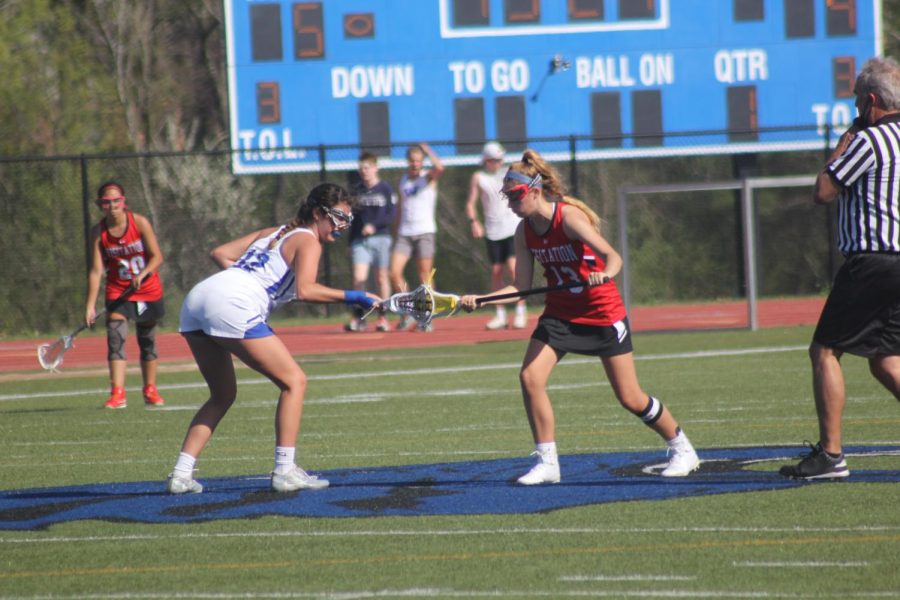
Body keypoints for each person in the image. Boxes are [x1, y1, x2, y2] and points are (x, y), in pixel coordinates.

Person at [460, 149, 700, 485]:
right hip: (560, 313)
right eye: (508, 199)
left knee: (630, 397)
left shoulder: (569, 218)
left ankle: (682, 448)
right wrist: (482, 300)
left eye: (515, 198)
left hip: (601, 313)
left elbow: (612, 257)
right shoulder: (524, 231)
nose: (511, 206)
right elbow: (519, 286)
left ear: (533, 191)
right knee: (530, 377)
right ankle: (548, 463)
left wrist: (605, 274)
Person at [167, 183, 379, 494]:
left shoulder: (275, 231)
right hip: (231, 303)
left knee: (222, 395)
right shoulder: (309, 241)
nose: (343, 227)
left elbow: (220, 253)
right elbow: (306, 290)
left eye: (347, 220)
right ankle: (284, 470)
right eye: (338, 218)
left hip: (199, 298)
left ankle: (180, 474)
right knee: (295, 381)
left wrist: (255, 288)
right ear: (319, 213)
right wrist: (354, 296)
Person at [781, 57, 900, 480]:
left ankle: (830, 456)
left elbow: (824, 190)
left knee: (825, 351)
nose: (853, 108)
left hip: (873, 261)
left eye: (855, 100)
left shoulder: (870, 141)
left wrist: (848, 137)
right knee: (887, 360)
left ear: (871, 101)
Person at [85, 181, 166, 409]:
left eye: (116, 201)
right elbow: (96, 270)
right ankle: (118, 392)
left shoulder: (139, 223)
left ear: (124, 201)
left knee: (147, 340)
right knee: (115, 338)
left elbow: (157, 257)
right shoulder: (98, 232)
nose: (112, 206)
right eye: (107, 202)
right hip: (118, 290)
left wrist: (144, 274)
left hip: (147, 290)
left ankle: (150, 389)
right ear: (100, 205)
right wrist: (90, 305)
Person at [465, 141, 528, 330]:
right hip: (493, 231)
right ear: (486, 160)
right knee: (496, 272)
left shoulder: (508, 174)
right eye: (494, 160)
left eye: (500, 160)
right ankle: (500, 315)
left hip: (511, 228)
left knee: (513, 268)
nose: (498, 163)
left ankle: (520, 312)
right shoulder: (478, 177)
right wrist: (474, 222)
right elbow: (470, 203)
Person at [390, 142, 444, 331]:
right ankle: (408, 311)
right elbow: (400, 208)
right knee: (394, 272)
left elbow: (439, 167)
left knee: (425, 276)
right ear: (407, 162)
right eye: (412, 161)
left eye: (418, 161)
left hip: (424, 232)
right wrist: (395, 230)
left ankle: (427, 317)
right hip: (405, 233)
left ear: (422, 162)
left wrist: (427, 150)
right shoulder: (403, 180)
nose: (415, 164)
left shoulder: (428, 178)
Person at [345, 152, 396, 333]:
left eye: (367, 168)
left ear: (375, 168)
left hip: (381, 238)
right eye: (361, 169)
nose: (364, 172)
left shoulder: (385, 189)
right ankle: (359, 317)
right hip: (361, 241)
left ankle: (382, 317)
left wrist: (374, 226)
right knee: (359, 279)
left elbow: (391, 214)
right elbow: (353, 219)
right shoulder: (356, 190)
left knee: (381, 278)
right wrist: (350, 243)